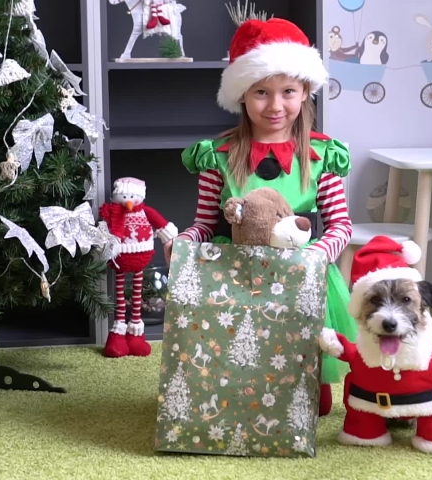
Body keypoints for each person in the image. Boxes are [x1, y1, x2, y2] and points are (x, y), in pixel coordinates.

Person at [163, 17, 356, 417]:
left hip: (300, 274)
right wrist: (183, 243)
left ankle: (308, 381)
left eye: (288, 91)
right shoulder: (217, 155)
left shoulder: (321, 156)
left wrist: (317, 255)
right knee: (233, 366)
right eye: (261, 93)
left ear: (305, 92)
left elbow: (341, 225)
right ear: (242, 96)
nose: (275, 105)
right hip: (234, 275)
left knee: (310, 396)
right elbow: (202, 224)